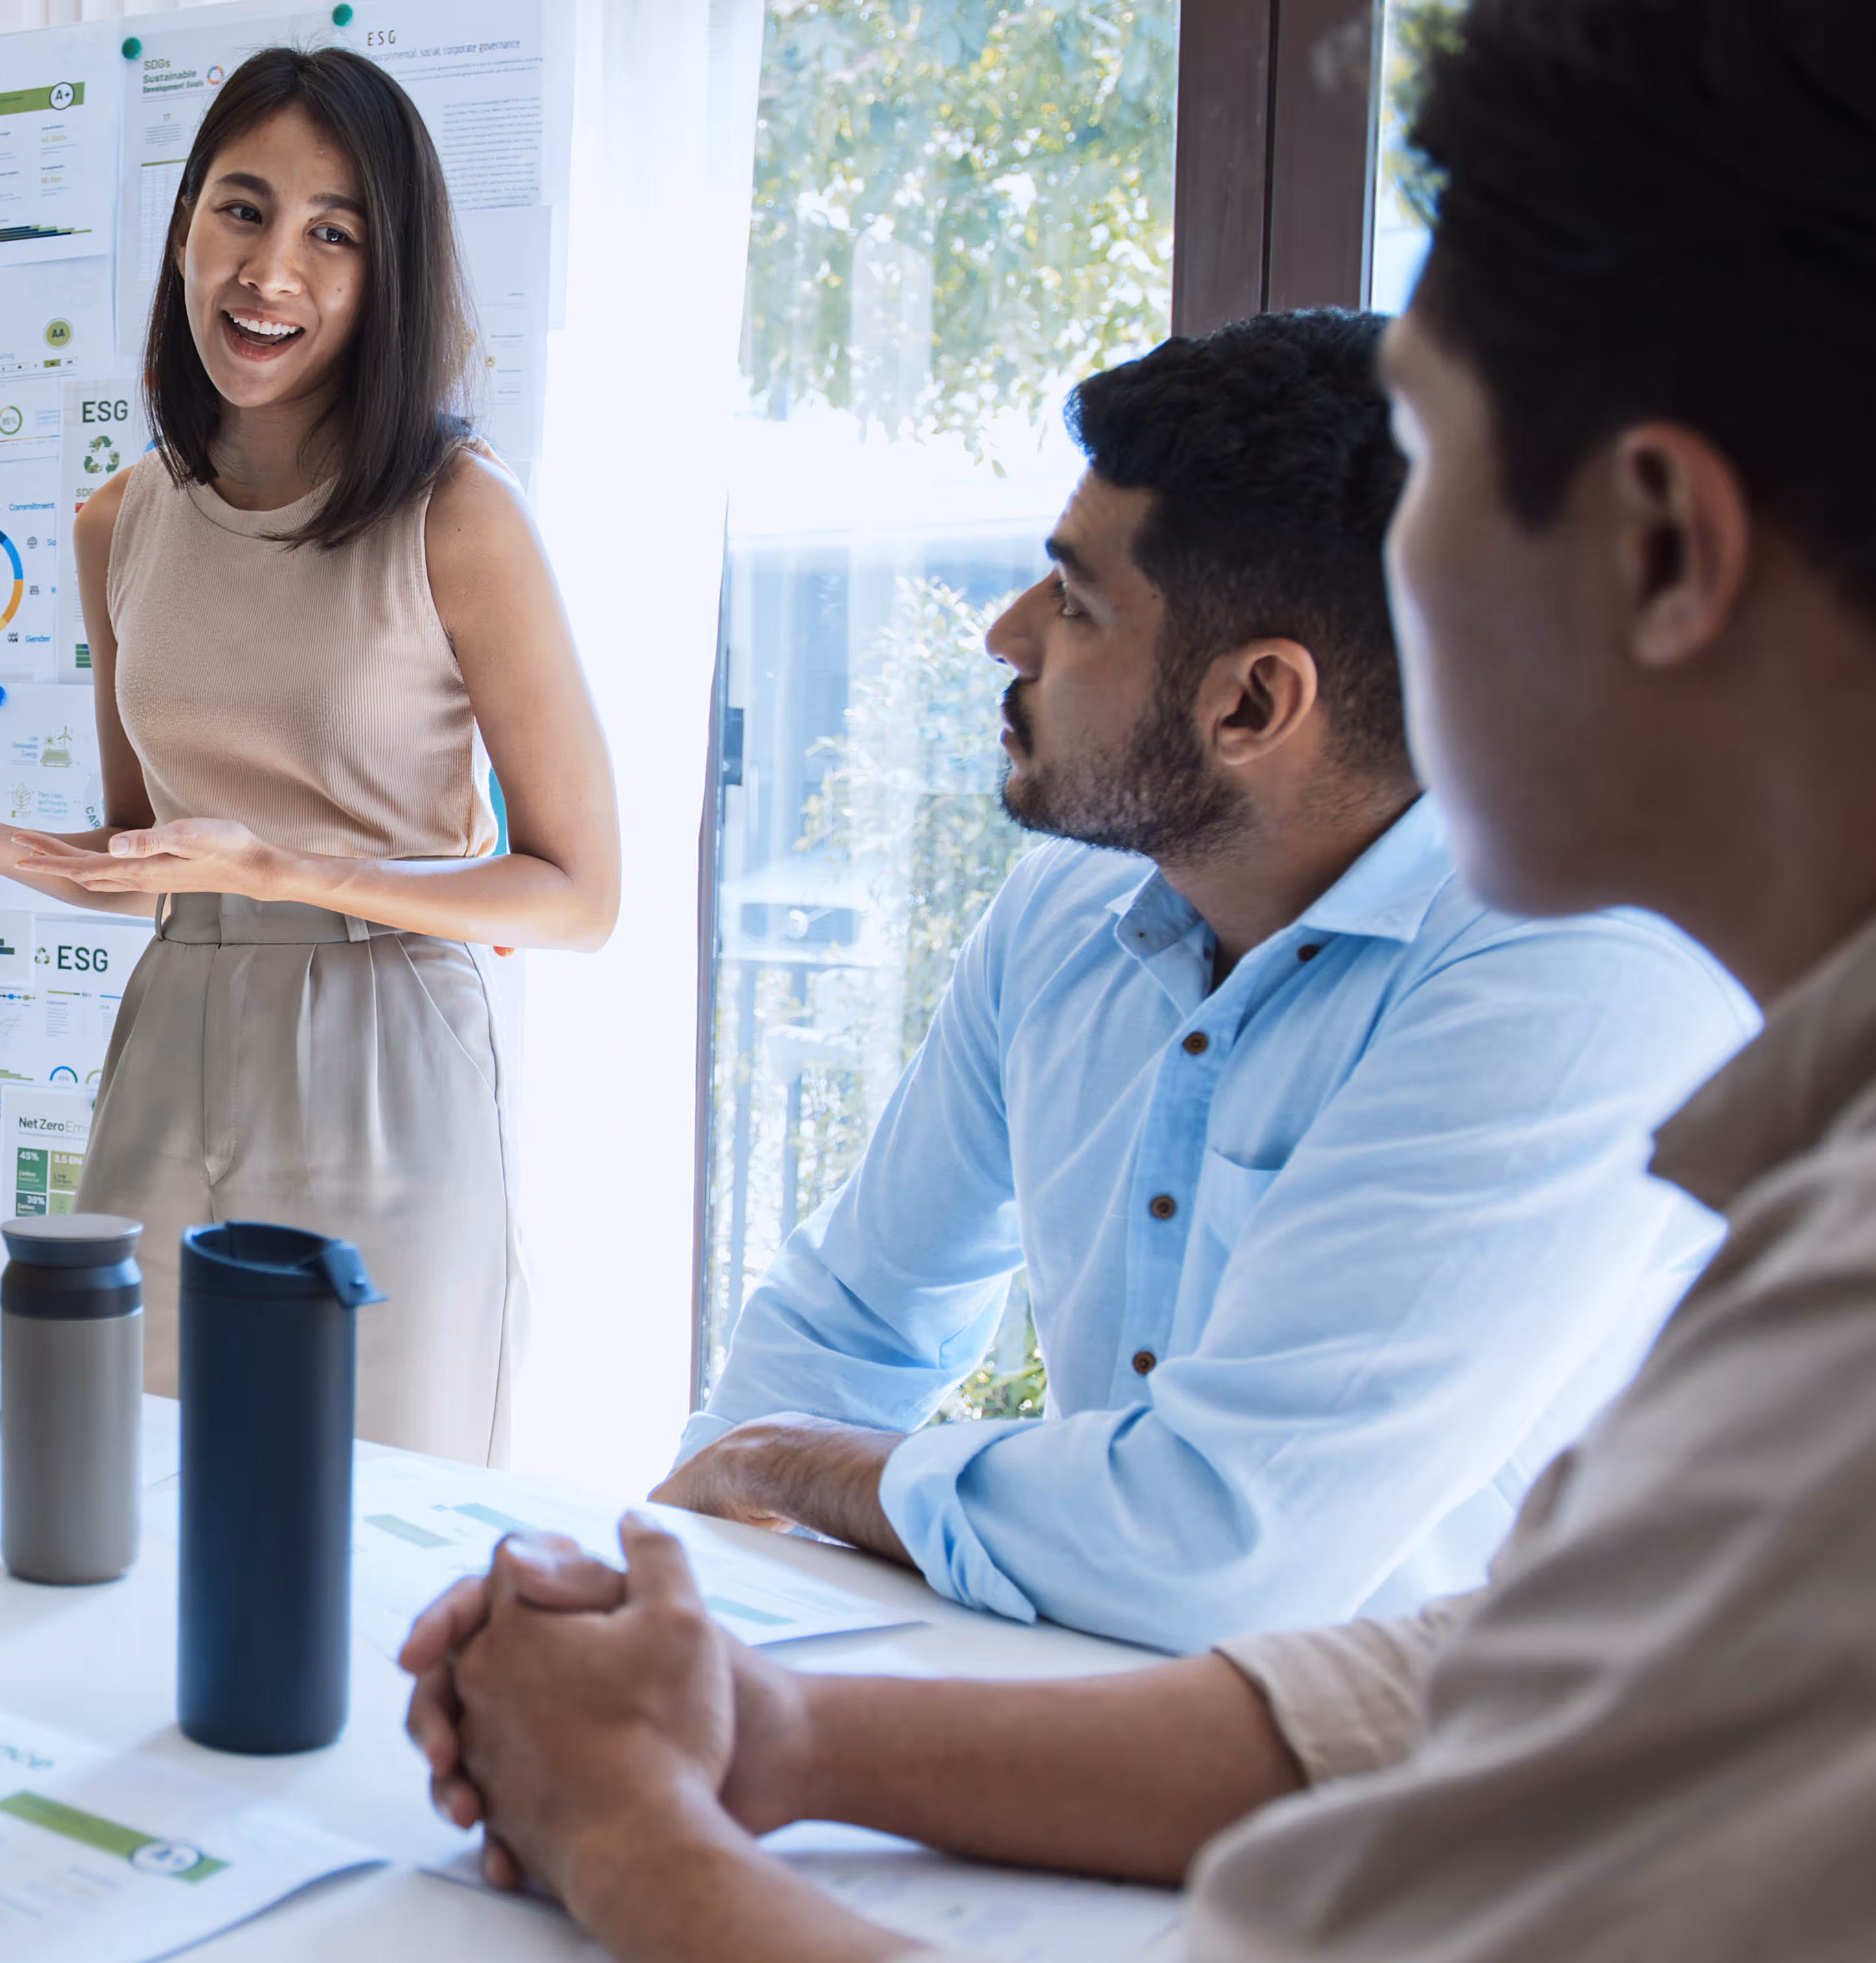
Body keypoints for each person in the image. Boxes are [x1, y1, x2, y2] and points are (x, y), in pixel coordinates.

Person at [403, 0, 1876, 1963]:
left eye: (1437, 472)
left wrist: (626, 1825)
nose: (1004, 642)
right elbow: (1483, 1679)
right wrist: (768, 1724)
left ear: (1659, 548)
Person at [657, 310, 1750, 1652]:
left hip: (1466, 1802)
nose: (1006, 636)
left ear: (1250, 706)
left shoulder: (1586, 974)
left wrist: (788, 1464)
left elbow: (1219, 1544)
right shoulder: (1067, 911)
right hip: (1105, 1719)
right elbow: (855, 1319)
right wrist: (669, 1582)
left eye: (1072, 601)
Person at [0, 45, 620, 1462]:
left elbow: (577, 891)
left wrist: (290, 869)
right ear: (184, 224)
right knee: (130, 1502)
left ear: (389, 275)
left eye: (334, 233)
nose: (271, 272)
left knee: (372, 1527)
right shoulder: (117, 522)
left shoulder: (459, 516)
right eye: (242, 211)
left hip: (383, 1057)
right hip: (170, 1050)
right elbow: (151, 863)